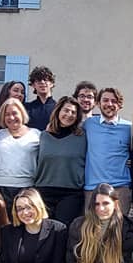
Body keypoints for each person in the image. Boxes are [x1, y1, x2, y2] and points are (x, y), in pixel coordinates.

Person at [36, 95, 87, 227]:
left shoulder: (82, 137)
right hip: (44, 191)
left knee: (63, 230)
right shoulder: (43, 136)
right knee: (43, 231)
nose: (69, 115)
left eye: (73, 112)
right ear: (58, 111)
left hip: (71, 193)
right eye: (66, 110)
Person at [82, 87, 133, 215]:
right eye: (105, 100)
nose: (109, 104)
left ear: (120, 105)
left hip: (120, 188)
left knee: (120, 226)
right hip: (93, 188)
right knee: (92, 226)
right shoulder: (88, 124)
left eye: (114, 101)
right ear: (98, 103)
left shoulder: (129, 128)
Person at [0, 98, 41, 211]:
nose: (11, 117)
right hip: (1, 187)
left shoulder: (36, 134)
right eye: (7, 114)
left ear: (22, 113)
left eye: (15, 113)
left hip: (26, 187)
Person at [25, 65, 56, 130]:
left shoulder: (59, 107)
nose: (42, 82)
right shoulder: (27, 108)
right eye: (39, 80)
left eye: (45, 80)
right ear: (33, 85)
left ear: (51, 84)